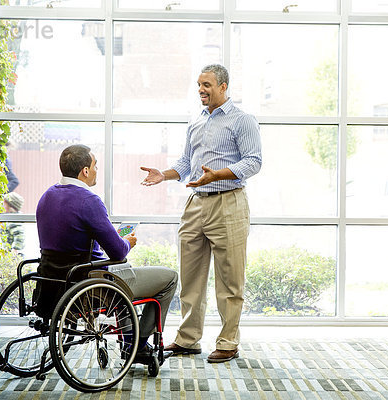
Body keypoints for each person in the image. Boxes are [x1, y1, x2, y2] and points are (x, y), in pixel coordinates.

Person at [140, 64, 262, 363]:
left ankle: (228, 342)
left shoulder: (242, 120)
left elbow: (254, 161)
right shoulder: (196, 122)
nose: (200, 90)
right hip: (195, 204)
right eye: (198, 84)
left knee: (230, 281)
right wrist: (165, 174)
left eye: (206, 85)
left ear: (223, 86)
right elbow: (185, 162)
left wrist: (217, 174)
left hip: (228, 203)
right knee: (190, 277)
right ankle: (187, 340)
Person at [36, 144, 178, 360]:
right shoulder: (89, 201)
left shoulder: (47, 197)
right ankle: (137, 345)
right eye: (95, 166)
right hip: (90, 283)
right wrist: (128, 242)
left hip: (52, 281)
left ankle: (130, 339)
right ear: (85, 171)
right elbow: (118, 252)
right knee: (170, 278)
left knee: (122, 274)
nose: (96, 171)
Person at [3, 192, 25, 256]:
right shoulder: (9, 218)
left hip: (11, 253)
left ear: (11, 206)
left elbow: (19, 236)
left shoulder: (14, 220)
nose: (3, 206)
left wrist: (15, 249)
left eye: (4, 204)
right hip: (7, 251)